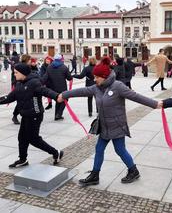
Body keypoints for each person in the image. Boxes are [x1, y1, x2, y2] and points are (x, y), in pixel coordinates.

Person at [57, 57, 159, 186]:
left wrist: (155, 104)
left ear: (104, 76)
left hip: (117, 125)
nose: (95, 79)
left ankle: (133, 171)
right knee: (99, 149)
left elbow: (136, 96)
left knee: (120, 150)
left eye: (97, 77)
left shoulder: (118, 86)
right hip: (104, 125)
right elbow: (82, 91)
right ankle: (95, 175)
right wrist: (64, 94)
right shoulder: (96, 88)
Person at [0, 63, 63, 168]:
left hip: (35, 115)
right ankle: (23, 159)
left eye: (16, 73)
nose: (14, 74)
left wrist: (56, 96)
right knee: (22, 138)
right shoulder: (19, 84)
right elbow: (10, 97)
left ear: (23, 73)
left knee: (33, 139)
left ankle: (56, 152)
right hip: (26, 115)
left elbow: (45, 91)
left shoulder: (34, 83)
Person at [42, 54, 72, 120]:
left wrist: (40, 83)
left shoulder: (49, 67)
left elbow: (45, 78)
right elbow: (69, 78)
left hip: (53, 88)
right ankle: (59, 114)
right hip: (62, 88)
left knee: (58, 100)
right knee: (65, 99)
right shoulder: (64, 67)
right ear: (61, 60)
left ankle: (56, 115)